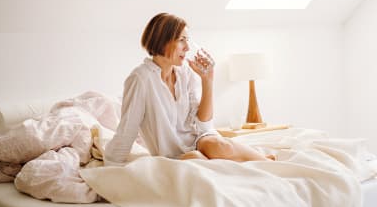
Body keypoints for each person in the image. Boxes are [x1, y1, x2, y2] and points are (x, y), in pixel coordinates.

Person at [104, 12, 274, 165]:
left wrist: (208, 80)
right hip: (173, 155)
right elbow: (127, 130)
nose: (187, 47)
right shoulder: (140, 79)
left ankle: (266, 163)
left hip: (199, 140)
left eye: (187, 40)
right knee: (196, 159)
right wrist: (111, 166)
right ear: (163, 41)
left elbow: (204, 126)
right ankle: (238, 167)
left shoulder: (185, 71)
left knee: (218, 145)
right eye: (181, 40)